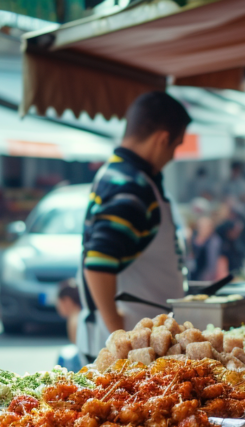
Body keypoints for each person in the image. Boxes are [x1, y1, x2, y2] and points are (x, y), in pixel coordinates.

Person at [77, 91, 191, 361]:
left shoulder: (131, 177)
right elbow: (97, 264)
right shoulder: (129, 186)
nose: (173, 155)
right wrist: (120, 337)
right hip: (131, 351)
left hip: (147, 346)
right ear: (162, 139)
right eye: (175, 146)